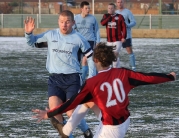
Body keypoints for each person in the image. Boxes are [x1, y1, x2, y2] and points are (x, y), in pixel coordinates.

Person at [32, 42, 176, 138]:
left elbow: (71, 103)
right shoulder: (123, 73)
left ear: (95, 61)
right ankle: (66, 131)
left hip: (112, 129)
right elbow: (148, 77)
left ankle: (66, 130)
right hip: (124, 120)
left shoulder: (92, 83)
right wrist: (169, 76)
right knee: (88, 102)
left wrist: (49, 113)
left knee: (84, 100)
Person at [24, 10, 95, 138]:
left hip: (72, 79)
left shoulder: (78, 38)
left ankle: (86, 131)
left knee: (70, 112)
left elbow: (90, 56)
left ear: (73, 23)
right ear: (58, 22)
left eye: (67, 22)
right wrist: (29, 33)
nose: (64, 25)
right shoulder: (51, 35)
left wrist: (92, 76)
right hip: (55, 79)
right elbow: (31, 42)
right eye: (62, 22)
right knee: (55, 112)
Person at [74, 1, 100, 82]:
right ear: (81, 9)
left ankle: (90, 79)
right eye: (86, 8)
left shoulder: (92, 18)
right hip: (79, 42)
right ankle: (81, 81)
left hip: (90, 41)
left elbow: (97, 30)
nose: (88, 10)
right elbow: (72, 29)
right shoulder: (76, 18)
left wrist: (98, 41)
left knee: (86, 60)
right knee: (80, 62)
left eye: (89, 8)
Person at [100, 3, 126, 68]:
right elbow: (102, 23)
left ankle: (115, 69)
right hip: (109, 40)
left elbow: (124, 27)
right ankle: (117, 68)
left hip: (118, 39)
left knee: (115, 53)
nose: (110, 10)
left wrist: (124, 37)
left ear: (115, 9)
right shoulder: (105, 16)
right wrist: (109, 16)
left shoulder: (120, 16)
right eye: (109, 8)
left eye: (112, 8)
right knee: (110, 55)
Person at [115, 0, 137, 71]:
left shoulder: (127, 12)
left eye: (121, 2)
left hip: (126, 35)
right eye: (118, 2)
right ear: (116, 3)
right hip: (117, 36)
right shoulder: (115, 13)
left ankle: (133, 68)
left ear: (123, 3)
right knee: (115, 52)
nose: (119, 3)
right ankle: (115, 68)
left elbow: (133, 22)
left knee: (129, 51)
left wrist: (127, 25)